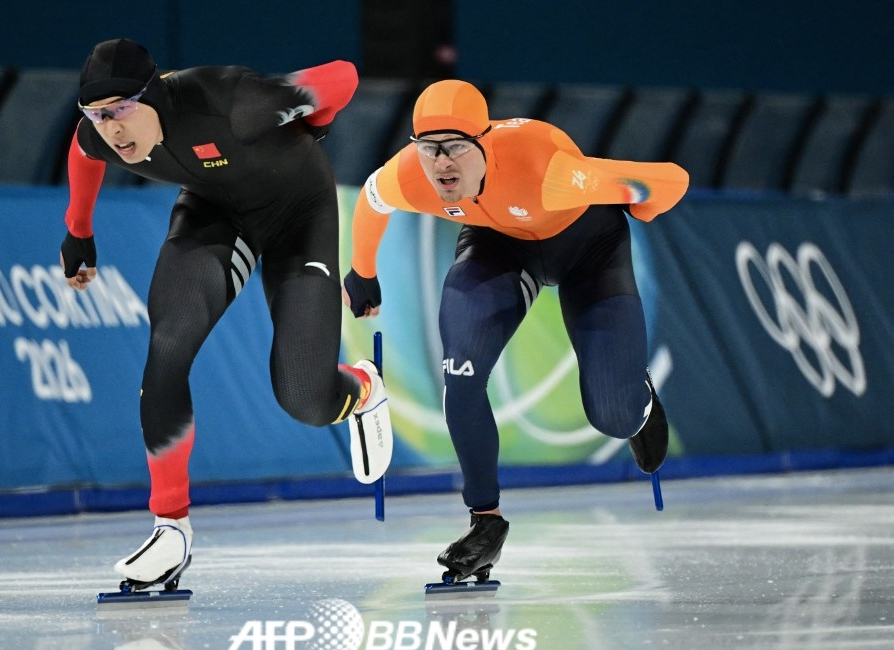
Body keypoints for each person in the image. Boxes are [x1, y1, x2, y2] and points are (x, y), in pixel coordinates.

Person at [60, 38, 392, 592]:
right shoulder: (100, 132)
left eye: (120, 110)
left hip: (297, 212)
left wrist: (315, 123)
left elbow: (345, 75)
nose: (112, 129)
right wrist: (78, 232)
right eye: (97, 113)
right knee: (167, 347)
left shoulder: (236, 104)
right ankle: (170, 527)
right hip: (215, 212)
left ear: (156, 94)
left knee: (304, 399)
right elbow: (82, 153)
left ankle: (361, 389)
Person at [343, 80, 688, 584]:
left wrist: (642, 204)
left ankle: (637, 403)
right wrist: (362, 273)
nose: (441, 164)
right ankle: (485, 522)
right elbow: (372, 203)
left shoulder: (548, 170)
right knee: (459, 371)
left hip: (588, 249)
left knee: (611, 415)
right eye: (429, 148)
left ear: (484, 143)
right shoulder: (408, 176)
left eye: (456, 147)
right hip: (498, 246)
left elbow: (670, 180)